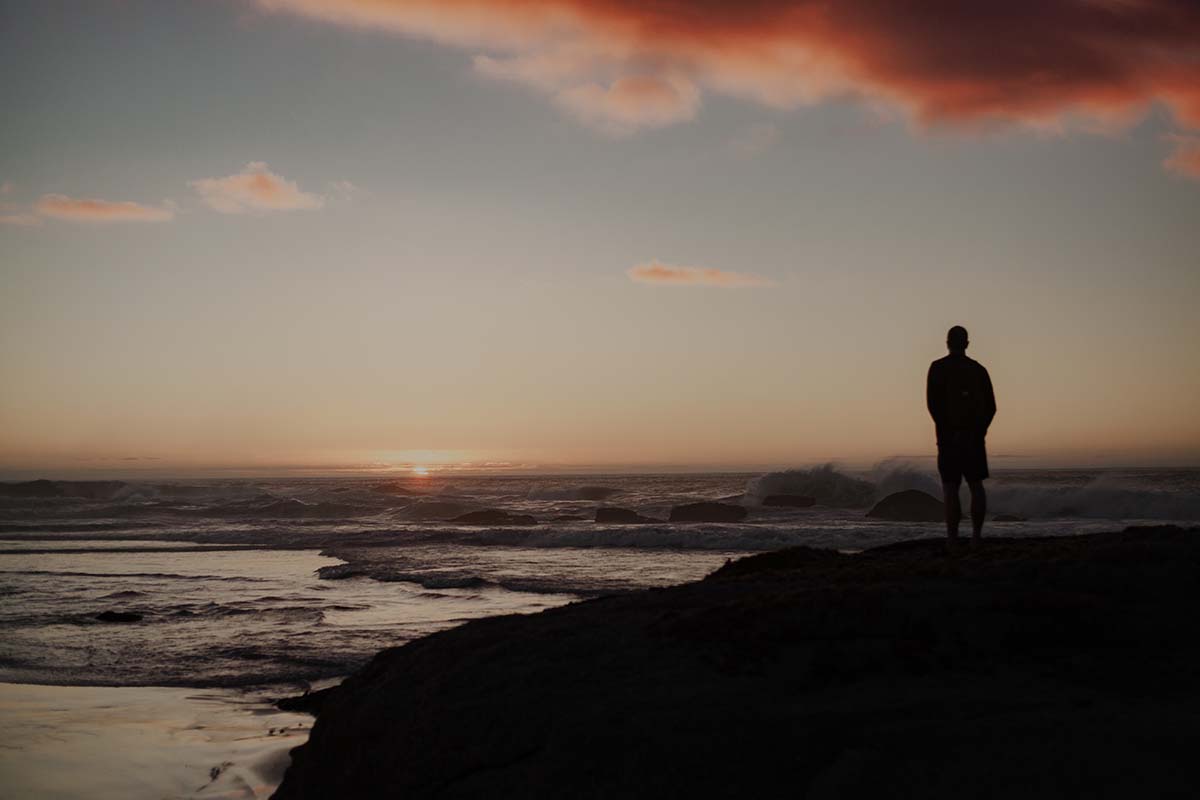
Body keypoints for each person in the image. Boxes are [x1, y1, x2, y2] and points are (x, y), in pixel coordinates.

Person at [926, 325, 996, 543]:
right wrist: (978, 432)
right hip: (974, 440)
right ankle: (976, 536)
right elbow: (991, 407)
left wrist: (950, 432)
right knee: (976, 485)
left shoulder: (938, 368)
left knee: (950, 488)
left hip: (948, 440)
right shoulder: (979, 370)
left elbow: (933, 406)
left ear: (947, 343)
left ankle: (953, 538)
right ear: (966, 343)